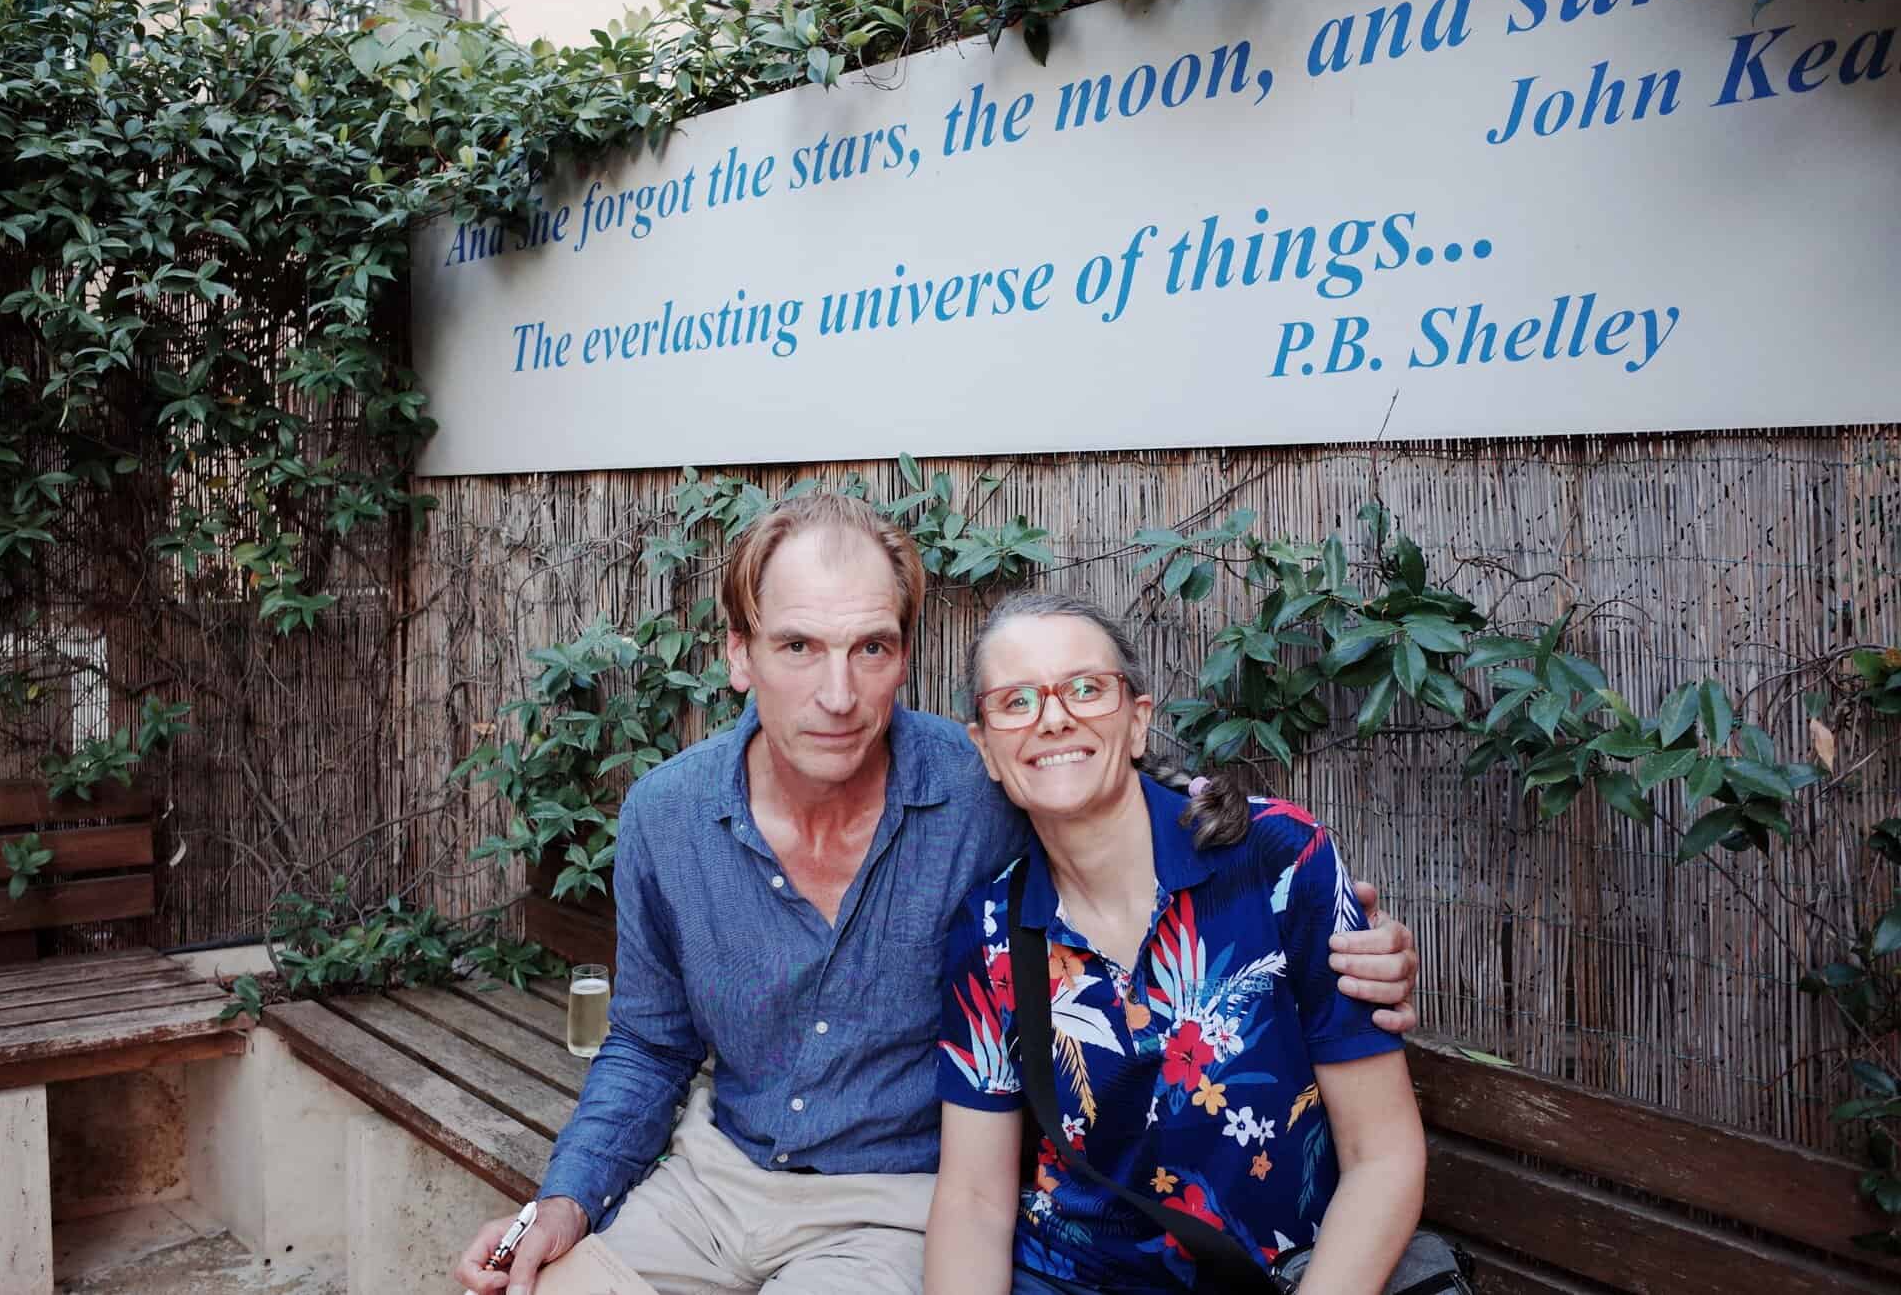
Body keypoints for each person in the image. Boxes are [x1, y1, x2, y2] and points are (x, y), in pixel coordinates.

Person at [454, 494, 1420, 1295]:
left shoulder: (985, 791)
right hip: (714, 1180)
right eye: (797, 647)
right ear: (739, 654)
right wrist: (564, 1200)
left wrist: (1352, 931)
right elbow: (649, 1042)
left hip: (892, 1204)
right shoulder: (669, 818)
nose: (838, 692)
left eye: (871, 648)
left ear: (905, 657)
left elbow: (1125, 799)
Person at [924, 593, 1425, 1294]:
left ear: (1138, 721)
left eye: (1086, 689)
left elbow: (1382, 1154)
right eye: (1016, 701)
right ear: (986, 749)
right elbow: (974, 1203)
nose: (1054, 717)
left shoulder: (1275, 858)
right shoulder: (989, 934)